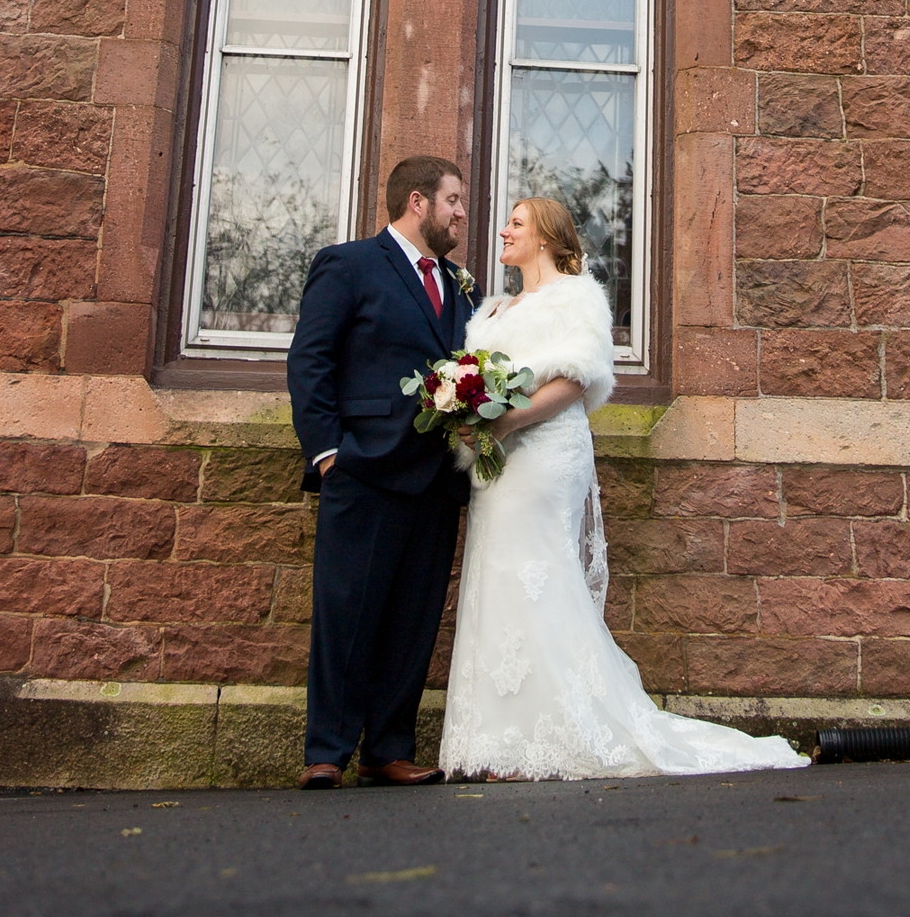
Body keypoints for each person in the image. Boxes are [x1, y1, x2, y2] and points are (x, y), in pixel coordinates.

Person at [441, 196, 809, 781]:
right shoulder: (490, 311)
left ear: (546, 237)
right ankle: (500, 738)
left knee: (539, 573)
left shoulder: (573, 295)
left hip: (543, 455)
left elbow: (575, 377)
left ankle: (557, 731)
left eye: (516, 222)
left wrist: (507, 421)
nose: (504, 231)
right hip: (496, 463)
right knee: (497, 574)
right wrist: (465, 413)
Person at [287, 156, 471, 789]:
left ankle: (388, 749)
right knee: (347, 611)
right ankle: (327, 751)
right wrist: (327, 453)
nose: (460, 213)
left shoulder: (459, 284)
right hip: (362, 470)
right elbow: (310, 360)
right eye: (453, 200)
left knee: (413, 620)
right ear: (417, 202)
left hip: (436, 479)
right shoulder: (348, 264)